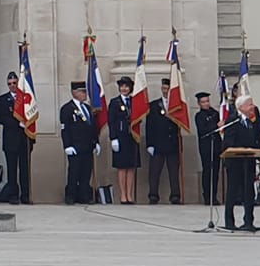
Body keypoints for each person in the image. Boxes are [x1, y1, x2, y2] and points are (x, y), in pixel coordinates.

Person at [222, 96, 260, 231]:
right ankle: (229, 221)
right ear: (241, 107)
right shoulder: (233, 120)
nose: (253, 107)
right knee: (233, 191)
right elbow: (228, 143)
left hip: (249, 162)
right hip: (235, 162)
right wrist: (242, 149)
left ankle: (248, 221)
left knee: (249, 192)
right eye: (250, 105)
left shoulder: (251, 122)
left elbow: (256, 141)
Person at [60, 81, 99, 204]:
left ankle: (84, 195)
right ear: (74, 93)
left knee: (86, 172)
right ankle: (70, 195)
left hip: (87, 145)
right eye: (82, 92)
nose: (85, 94)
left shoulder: (87, 108)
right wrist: (67, 145)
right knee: (74, 172)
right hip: (75, 146)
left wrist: (96, 142)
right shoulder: (67, 109)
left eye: (85, 91)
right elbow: (65, 129)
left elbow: (93, 127)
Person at [0, 72, 32, 205]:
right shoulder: (2, 100)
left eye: (14, 83)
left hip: (24, 139)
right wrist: (18, 122)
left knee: (25, 170)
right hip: (11, 139)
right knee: (11, 169)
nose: (12, 86)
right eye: (9, 84)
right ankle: (13, 195)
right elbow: (2, 118)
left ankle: (26, 195)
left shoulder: (26, 98)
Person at [145, 81, 183, 205]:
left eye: (168, 89)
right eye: (164, 88)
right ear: (162, 89)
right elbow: (149, 126)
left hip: (172, 143)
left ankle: (175, 195)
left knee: (173, 171)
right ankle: (153, 195)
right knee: (154, 172)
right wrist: (149, 144)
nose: (166, 91)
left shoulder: (177, 106)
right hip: (158, 143)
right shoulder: (154, 105)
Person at [106, 76, 139, 204]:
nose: (124, 89)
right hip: (120, 138)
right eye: (122, 86)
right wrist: (113, 138)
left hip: (132, 138)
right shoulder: (115, 102)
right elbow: (111, 122)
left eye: (126, 86)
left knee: (131, 167)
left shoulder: (134, 101)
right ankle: (123, 195)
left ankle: (129, 195)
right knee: (122, 167)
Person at [194, 92, 222, 205]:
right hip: (206, 146)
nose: (206, 104)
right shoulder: (199, 116)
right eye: (203, 102)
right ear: (199, 104)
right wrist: (216, 126)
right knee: (207, 171)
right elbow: (203, 130)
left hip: (216, 145)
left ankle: (214, 195)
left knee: (215, 171)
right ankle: (207, 196)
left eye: (207, 101)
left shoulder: (215, 113)